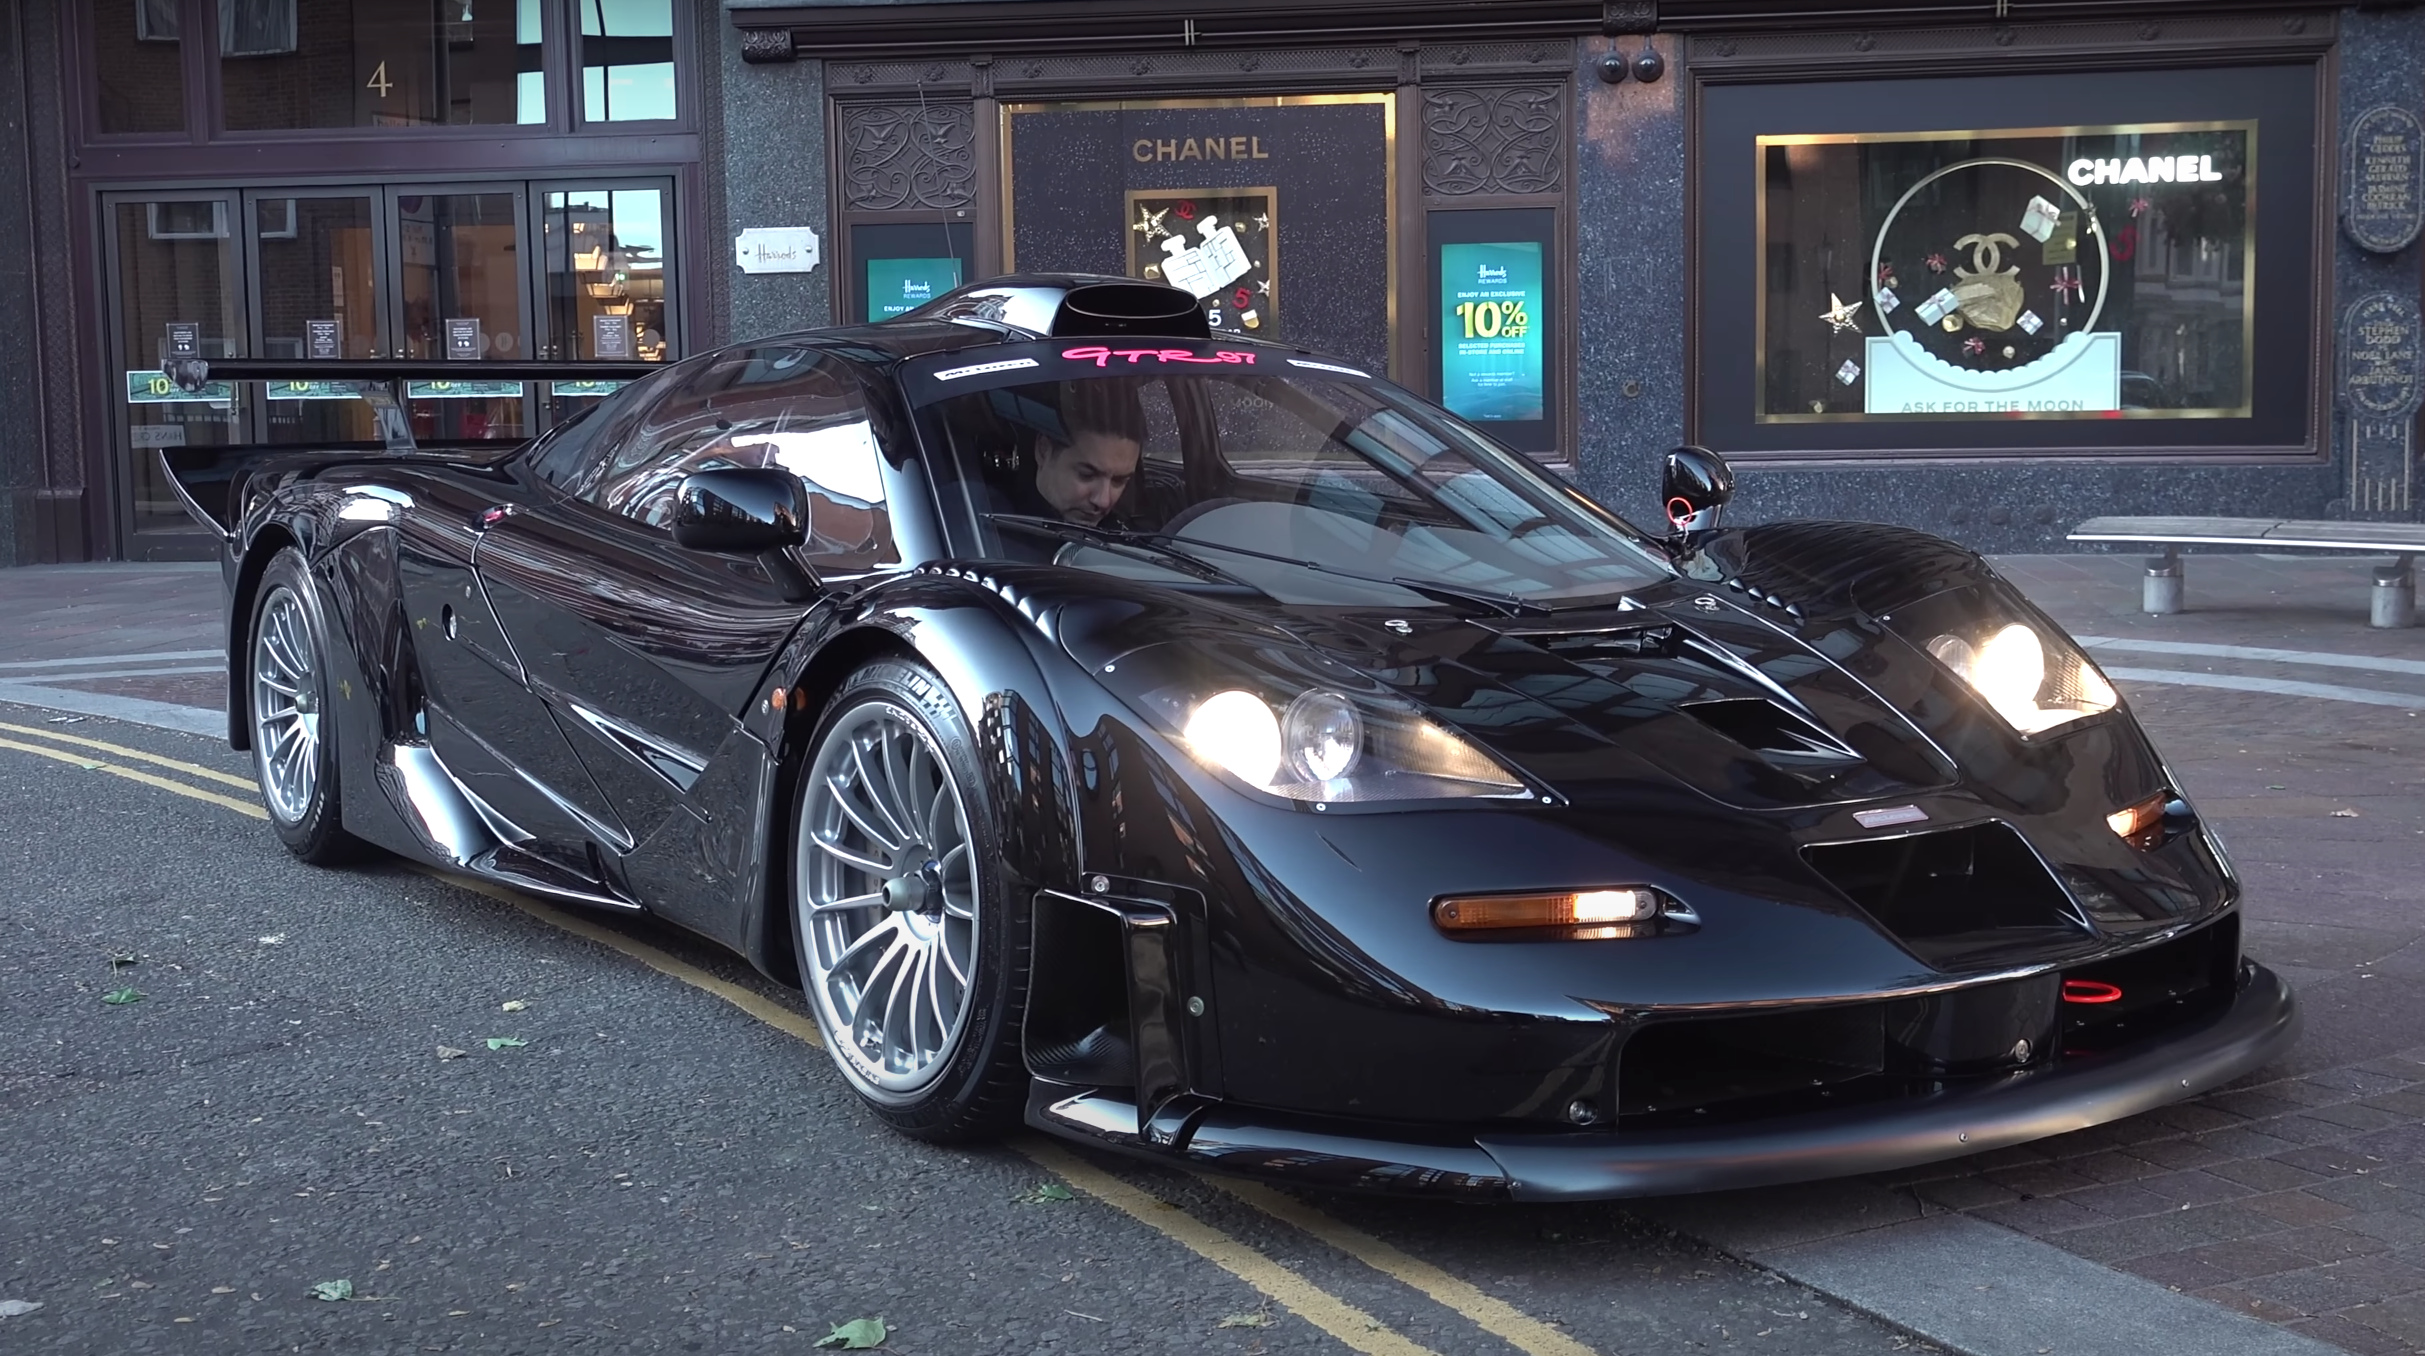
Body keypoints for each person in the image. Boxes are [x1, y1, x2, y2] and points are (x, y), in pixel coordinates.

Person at [1007, 379, 1145, 528]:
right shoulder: (989, 536)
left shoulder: (1126, 532)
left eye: (1118, 481)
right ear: (1043, 450)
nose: (1103, 501)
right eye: (1087, 475)